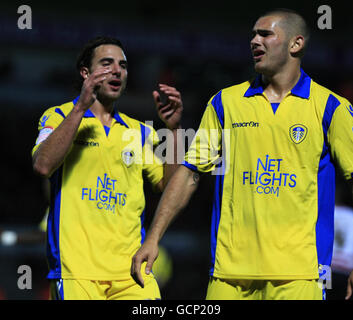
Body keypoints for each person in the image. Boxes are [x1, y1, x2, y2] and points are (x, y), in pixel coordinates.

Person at [131, 9, 353, 300]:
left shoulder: (330, 108)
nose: (254, 41)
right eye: (252, 35)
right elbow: (189, 175)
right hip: (229, 275)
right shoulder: (225, 103)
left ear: (296, 44)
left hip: (301, 274)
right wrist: (153, 236)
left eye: (265, 34)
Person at [32, 36, 183, 300]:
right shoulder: (57, 116)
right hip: (76, 272)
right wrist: (81, 107)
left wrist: (174, 131)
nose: (117, 70)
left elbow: (168, 185)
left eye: (122, 65)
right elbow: (43, 165)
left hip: (132, 273)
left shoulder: (141, 131)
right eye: (106, 63)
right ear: (85, 73)